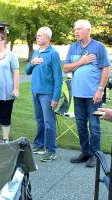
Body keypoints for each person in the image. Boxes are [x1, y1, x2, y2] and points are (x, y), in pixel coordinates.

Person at [64, 20, 110, 167]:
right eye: (74, 29)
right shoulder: (73, 47)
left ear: (88, 30)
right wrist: (82, 61)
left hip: (94, 96)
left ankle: (95, 155)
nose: (76, 31)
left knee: (94, 126)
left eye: (79, 29)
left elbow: (105, 69)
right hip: (78, 95)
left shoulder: (99, 47)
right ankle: (85, 152)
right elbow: (66, 68)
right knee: (81, 125)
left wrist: (100, 90)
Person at [25, 27, 62, 162]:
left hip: (47, 94)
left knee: (48, 122)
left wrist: (55, 98)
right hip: (35, 91)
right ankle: (39, 144)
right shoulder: (35, 52)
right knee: (39, 120)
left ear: (47, 38)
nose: (37, 37)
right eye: (37, 35)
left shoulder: (53, 53)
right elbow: (27, 71)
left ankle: (51, 150)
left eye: (40, 36)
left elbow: (58, 78)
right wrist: (32, 62)